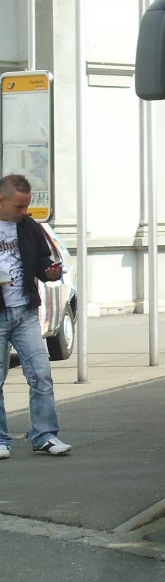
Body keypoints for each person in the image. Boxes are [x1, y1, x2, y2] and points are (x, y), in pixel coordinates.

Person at [0, 174, 71, 458]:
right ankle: (1, 440)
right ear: (1, 200)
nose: (24, 212)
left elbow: (44, 261)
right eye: (19, 206)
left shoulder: (29, 227)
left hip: (26, 310)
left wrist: (49, 272)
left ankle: (44, 435)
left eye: (26, 206)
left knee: (41, 373)